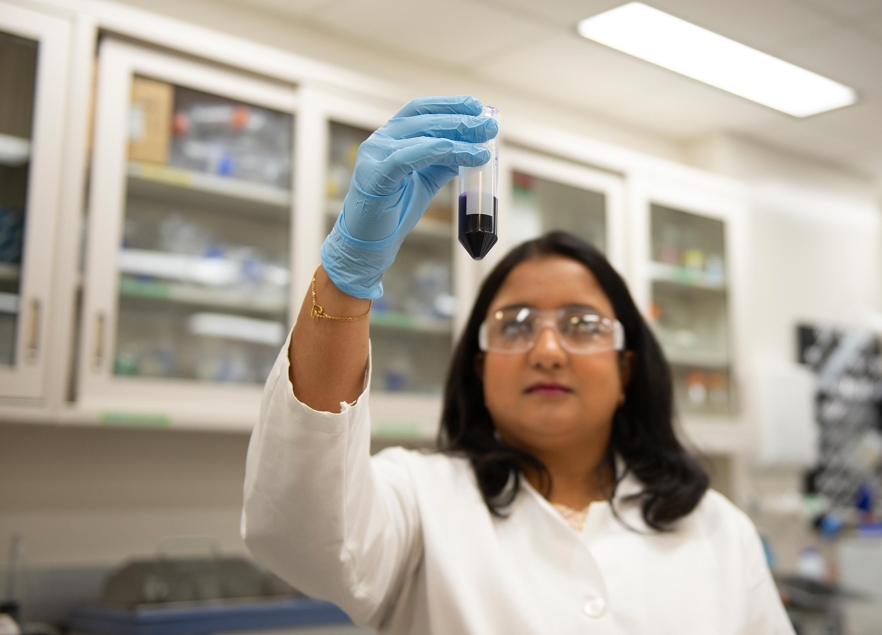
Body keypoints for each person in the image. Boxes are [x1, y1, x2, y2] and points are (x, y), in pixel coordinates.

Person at [241, 95, 794, 635]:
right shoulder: (421, 502)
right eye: (515, 325)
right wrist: (346, 276)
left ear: (627, 369)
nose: (547, 351)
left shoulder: (719, 531)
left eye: (582, 325)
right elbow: (299, 534)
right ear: (479, 369)